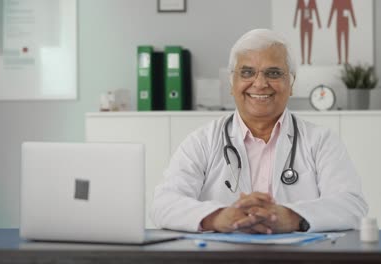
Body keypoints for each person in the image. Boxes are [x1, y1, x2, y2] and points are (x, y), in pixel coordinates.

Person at [151, 29, 367, 234]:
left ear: (290, 83)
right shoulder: (202, 141)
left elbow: (351, 205)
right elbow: (163, 204)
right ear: (231, 83)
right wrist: (217, 217)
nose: (260, 83)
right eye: (247, 72)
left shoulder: (321, 141)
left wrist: (292, 217)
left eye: (273, 73)